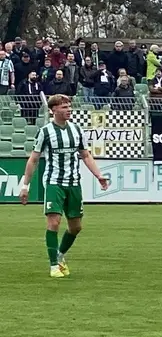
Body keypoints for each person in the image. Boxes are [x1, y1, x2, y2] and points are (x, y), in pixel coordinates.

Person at [18, 94, 110, 278]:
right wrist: (25, 186)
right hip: (54, 182)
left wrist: (98, 175)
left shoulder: (76, 130)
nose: (69, 109)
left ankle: (60, 255)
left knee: (76, 227)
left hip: (74, 183)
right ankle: (53, 266)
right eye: (64, 107)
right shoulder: (45, 132)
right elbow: (34, 159)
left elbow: (85, 155)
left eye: (69, 106)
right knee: (54, 222)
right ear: (53, 110)